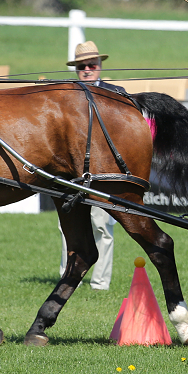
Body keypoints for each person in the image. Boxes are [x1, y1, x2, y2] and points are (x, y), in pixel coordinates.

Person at [58, 41, 120, 290]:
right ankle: (66, 276)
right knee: (67, 225)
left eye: (91, 65)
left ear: (100, 66)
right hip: (70, 171)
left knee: (102, 225)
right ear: (76, 69)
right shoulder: (66, 95)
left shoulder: (115, 93)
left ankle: (100, 283)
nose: (87, 69)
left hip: (102, 170)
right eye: (81, 66)